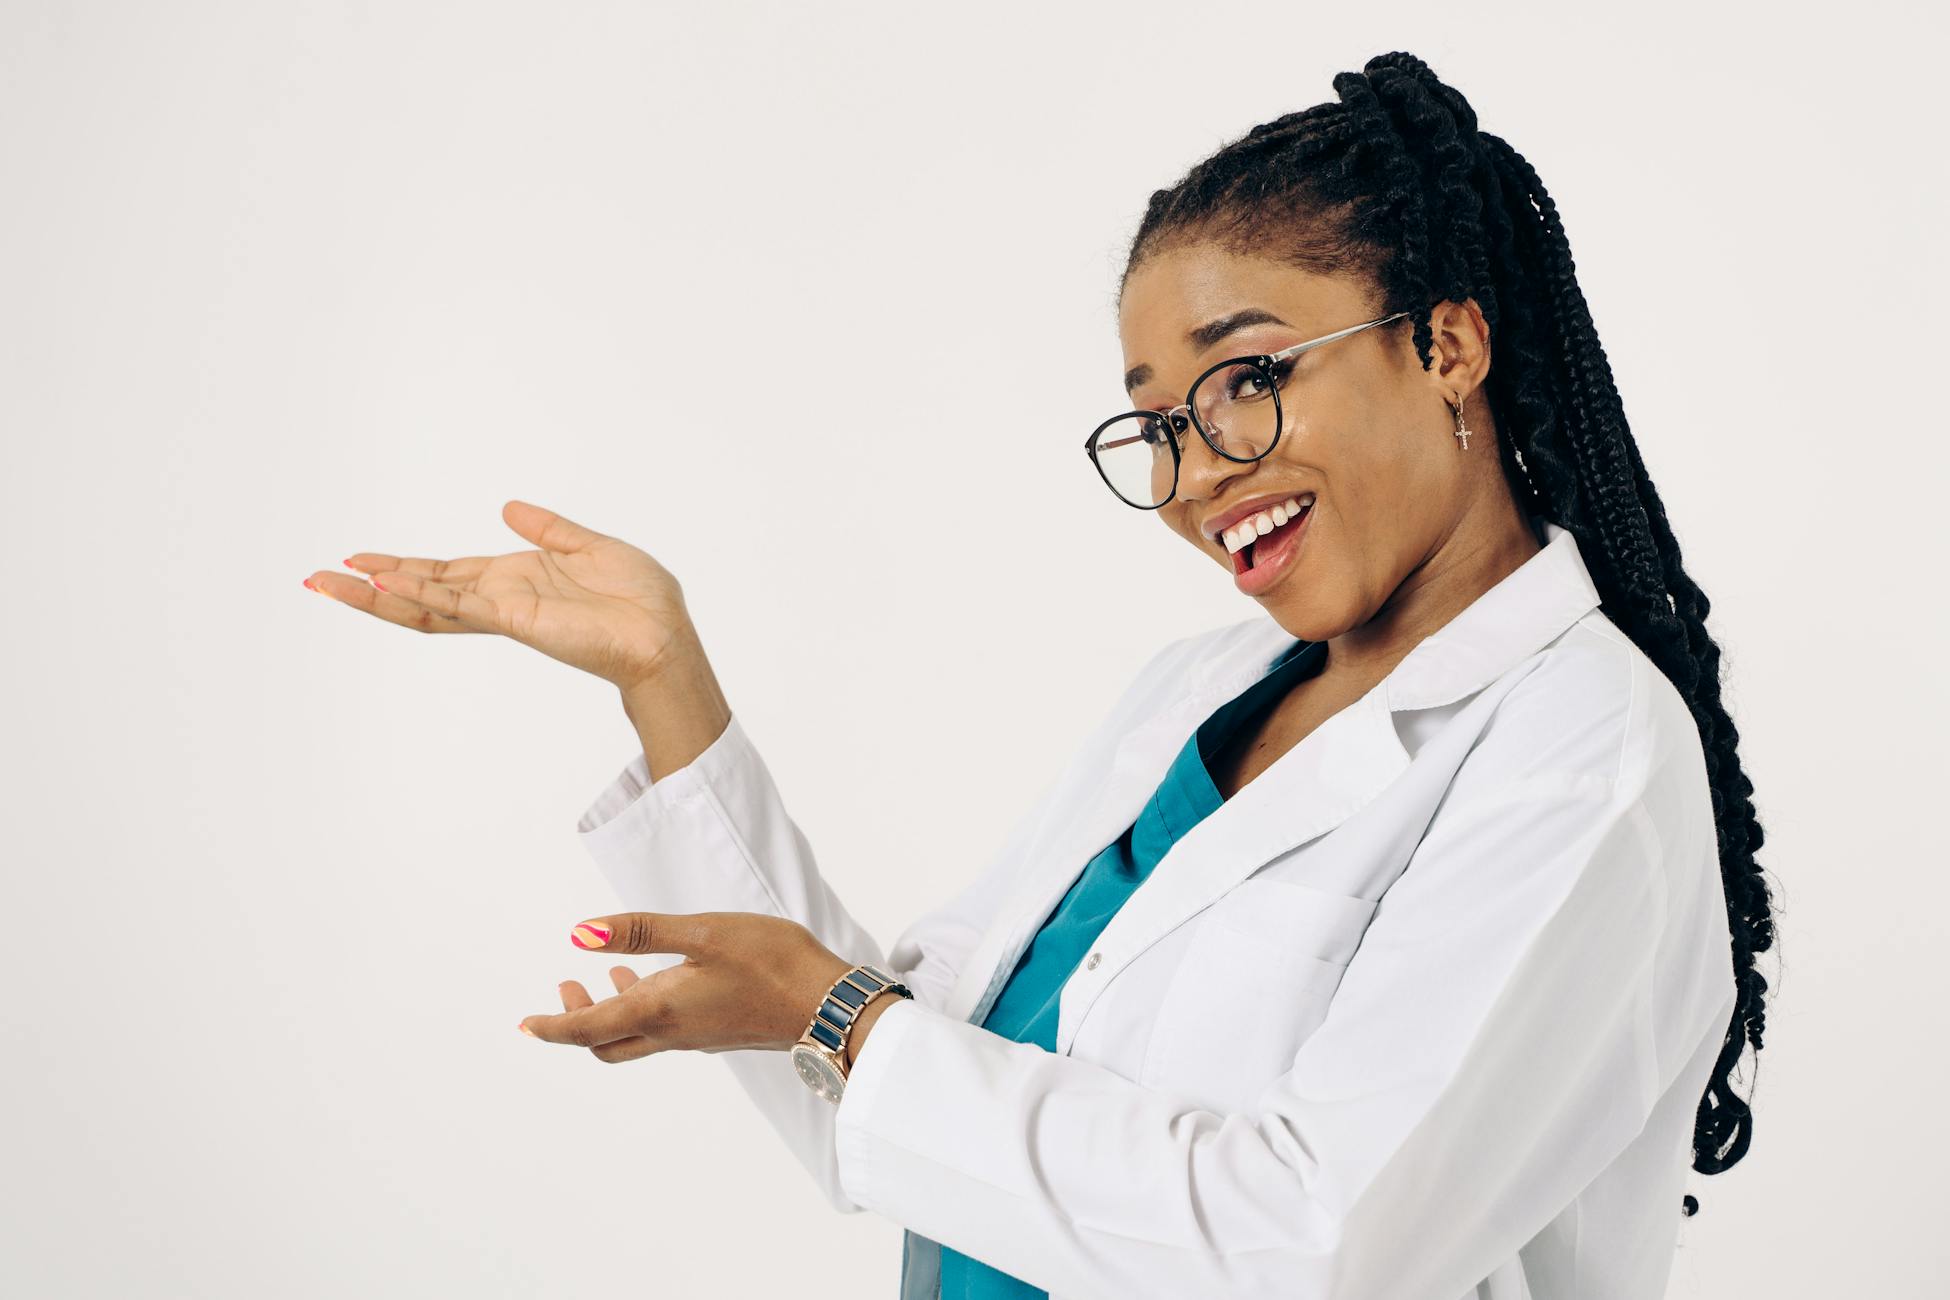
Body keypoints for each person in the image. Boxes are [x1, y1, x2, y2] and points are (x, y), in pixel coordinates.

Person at [305, 50, 1774, 1300]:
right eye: (1155, 425)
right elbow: (892, 1094)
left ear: (1448, 343)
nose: (1199, 475)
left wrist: (838, 1021)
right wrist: (664, 684)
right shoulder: (1193, 695)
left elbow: (1316, 1248)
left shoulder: (1584, 753)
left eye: (1247, 380)